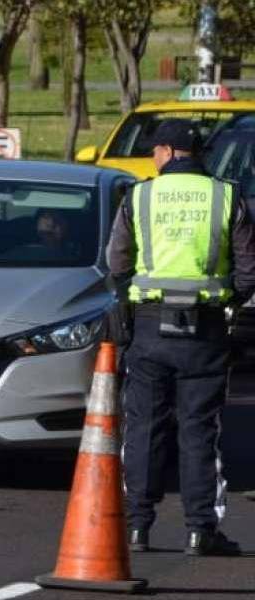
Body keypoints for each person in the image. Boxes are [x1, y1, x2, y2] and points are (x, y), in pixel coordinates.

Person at [107, 118, 255, 556]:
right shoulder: (227, 197)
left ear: (169, 153)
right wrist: (226, 299)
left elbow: (117, 261)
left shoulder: (140, 196)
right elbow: (249, 268)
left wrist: (130, 298)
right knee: (200, 431)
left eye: (155, 151)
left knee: (144, 427)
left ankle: (136, 526)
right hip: (206, 330)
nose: (153, 156)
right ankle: (199, 529)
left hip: (149, 327)